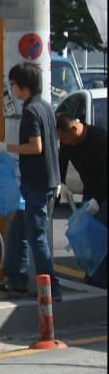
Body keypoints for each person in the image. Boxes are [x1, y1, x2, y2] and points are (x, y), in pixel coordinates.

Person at [0, 62, 62, 300]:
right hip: (45, 180)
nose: (11, 88)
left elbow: (36, 146)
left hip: (37, 183)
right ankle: (17, 280)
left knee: (36, 236)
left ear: (23, 86)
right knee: (19, 229)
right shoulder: (45, 107)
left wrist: (5, 147)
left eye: (12, 84)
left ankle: (52, 288)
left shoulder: (31, 111)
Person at [57, 111, 108, 288]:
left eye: (64, 138)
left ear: (73, 129)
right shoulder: (67, 142)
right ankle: (92, 273)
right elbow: (62, 160)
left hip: (104, 191)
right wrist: (61, 182)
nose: (63, 143)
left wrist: (97, 199)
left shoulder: (99, 139)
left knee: (101, 231)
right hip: (90, 189)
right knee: (87, 234)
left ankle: (100, 280)